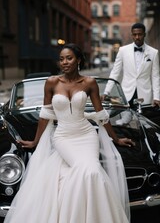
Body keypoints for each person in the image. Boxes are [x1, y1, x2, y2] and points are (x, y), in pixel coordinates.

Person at [4, 43, 134, 223]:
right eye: (61, 59)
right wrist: (35, 142)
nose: (64, 62)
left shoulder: (89, 83)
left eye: (69, 58)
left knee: (93, 171)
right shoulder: (52, 82)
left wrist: (116, 139)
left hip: (86, 134)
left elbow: (100, 114)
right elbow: (45, 115)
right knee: (87, 171)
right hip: (63, 136)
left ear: (78, 60)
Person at [102, 23, 160, 108]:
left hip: (144, 96)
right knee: (125, 120)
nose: (137, 37)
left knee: (143, 120)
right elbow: (115, 73)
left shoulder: (153, 53)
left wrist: (157, 97)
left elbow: (156, 77)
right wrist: (106, 92)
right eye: (134, 34)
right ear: (131, 35)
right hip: (126, 94)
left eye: (139, 34)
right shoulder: (123, 50)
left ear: (144, 35)